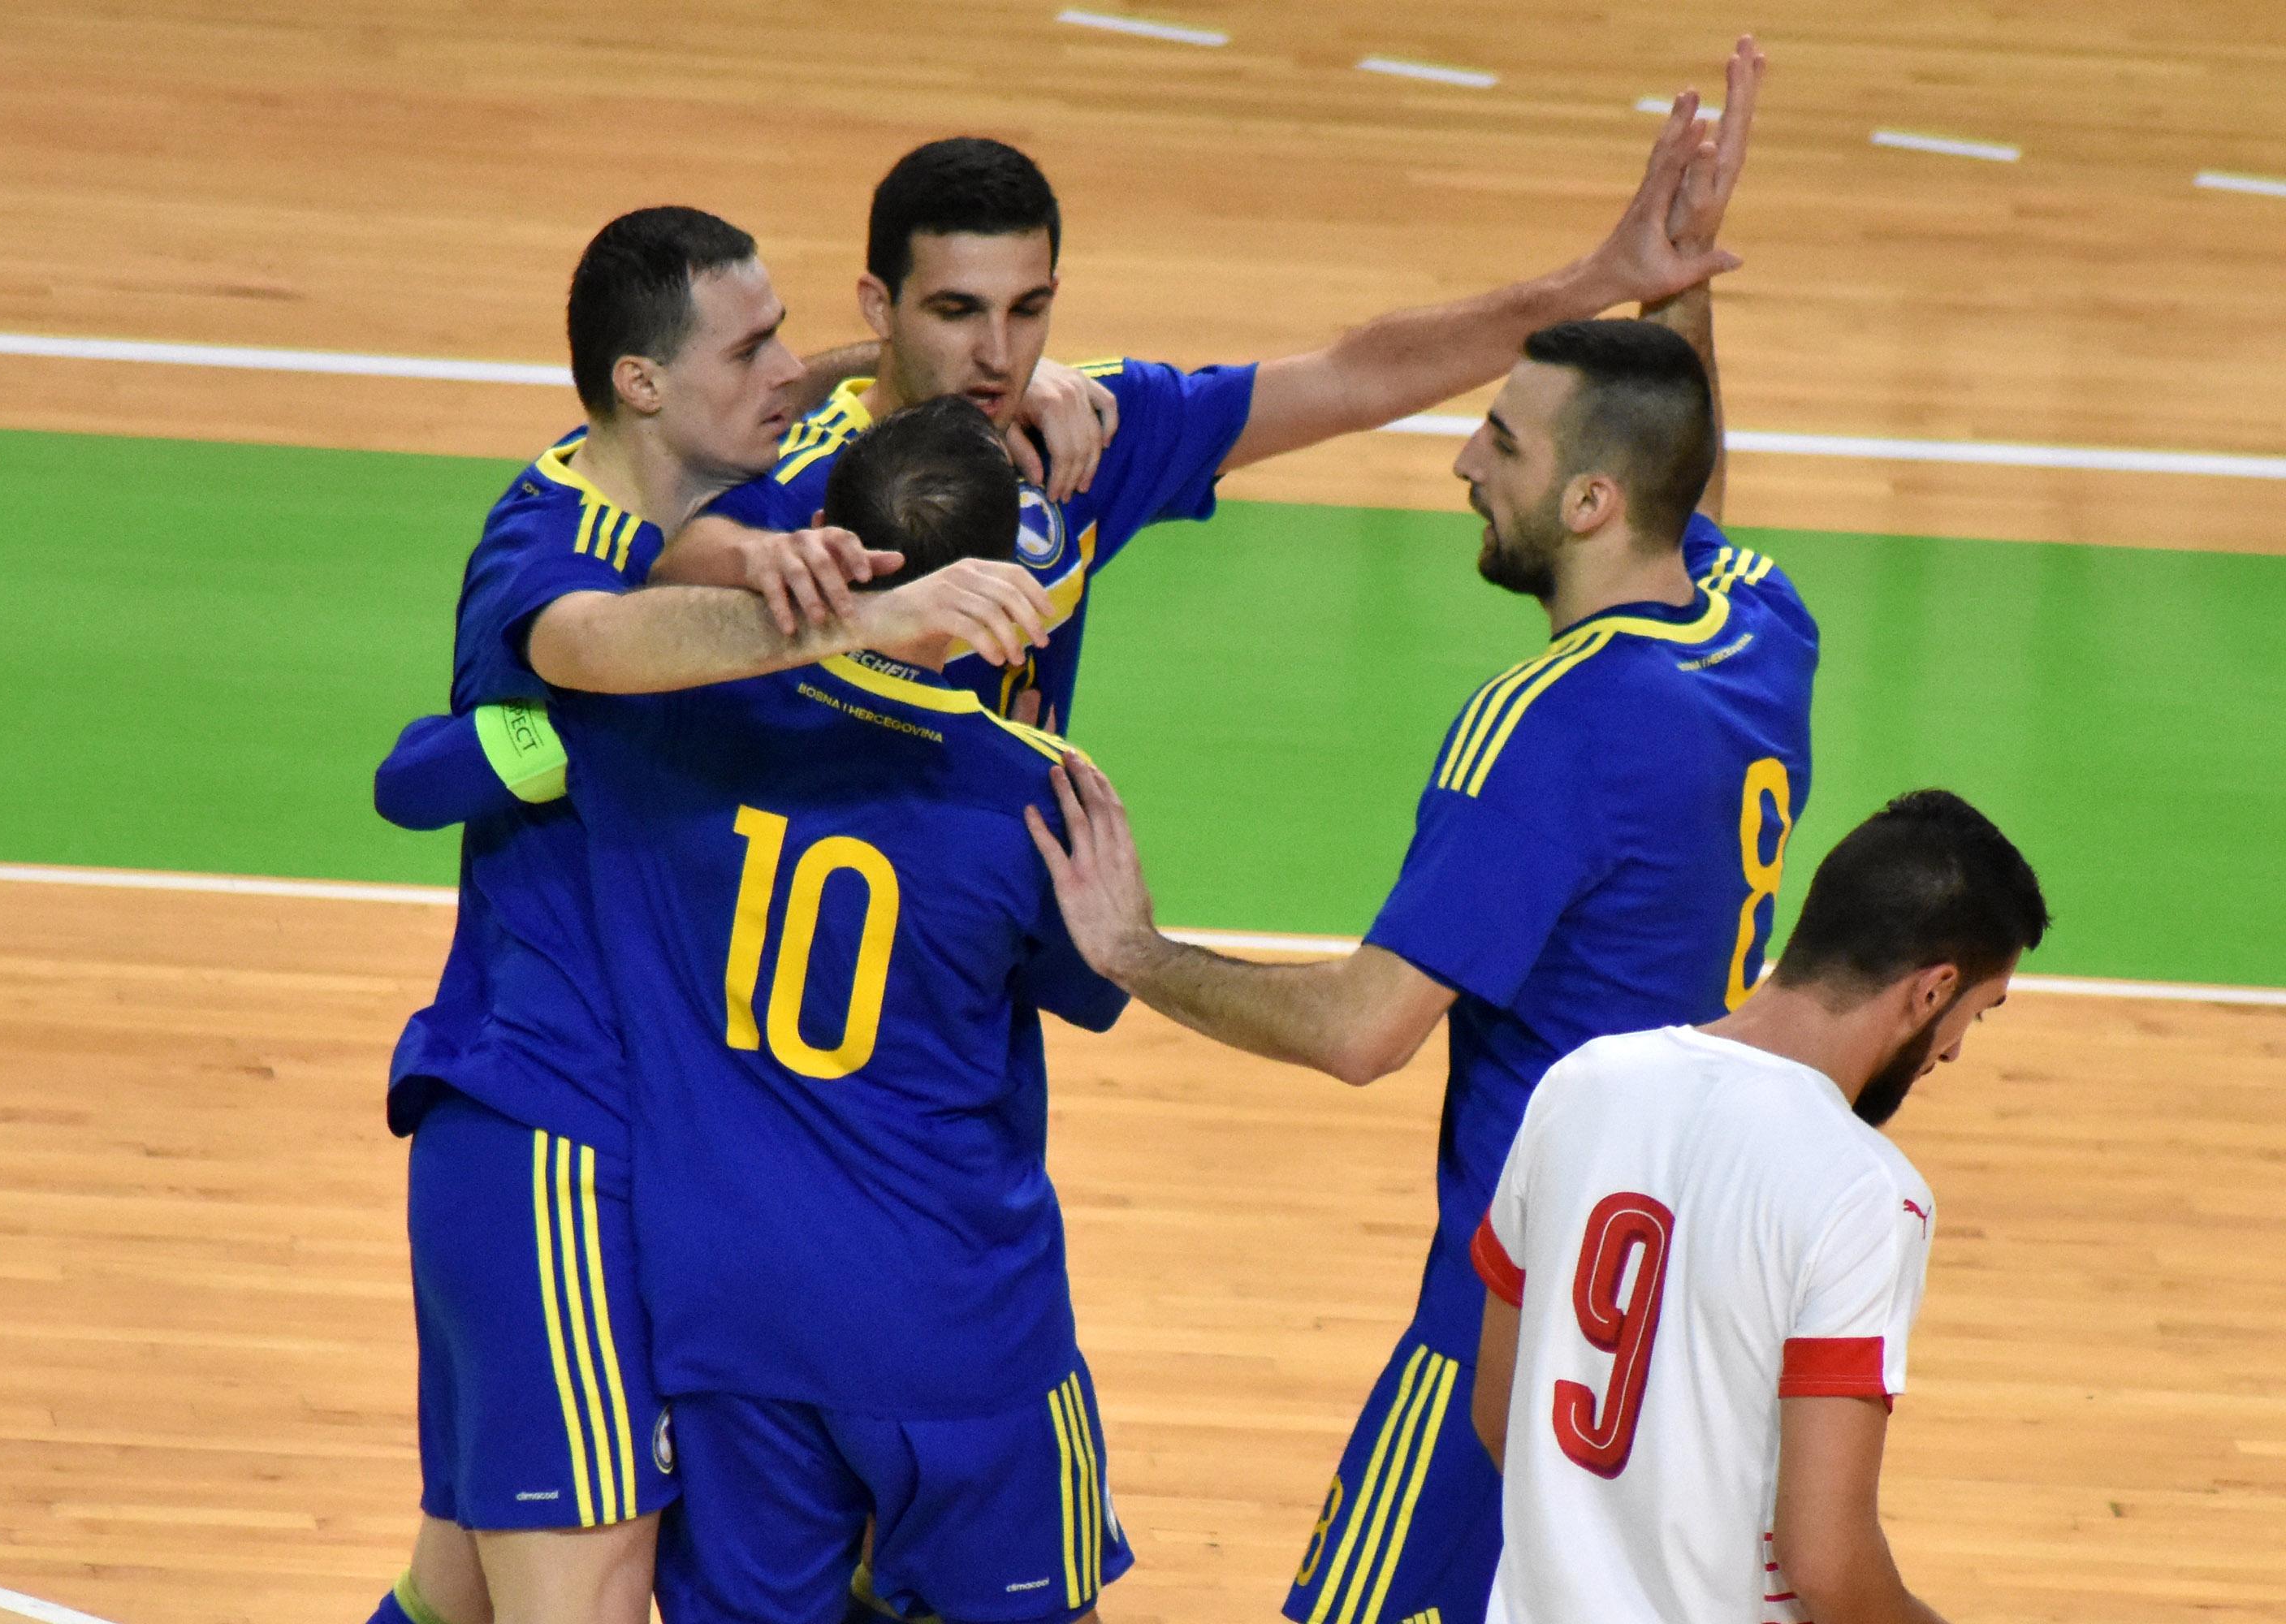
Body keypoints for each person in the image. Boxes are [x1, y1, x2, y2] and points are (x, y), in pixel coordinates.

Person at [1025, 47, 1808, 1619]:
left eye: (1503, 445)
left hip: (1512, 1312)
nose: (1463, 459)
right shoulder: (1756, 620)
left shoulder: (1547, 725)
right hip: (1687, 1304)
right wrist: (1670, 295)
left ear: (1589, 505)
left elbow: (1366, 1028)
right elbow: (1677, 455)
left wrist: (1132, 948)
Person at [370, 207, 1056, 1624]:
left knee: (463, 1582)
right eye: (753, 347)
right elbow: (580, 646)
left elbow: (429, 770)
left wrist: (1029, 386)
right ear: (639, 385)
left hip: (646, 1146)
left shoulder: (721, 505)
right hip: (555, 1126)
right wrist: (864, 622)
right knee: (593, 1593)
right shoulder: (557, 531)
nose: (792, 371)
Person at [495, 394, 1134, 1624]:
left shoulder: (669, 720)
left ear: (826, 537)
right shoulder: (1035, 792)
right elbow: (1096, 982)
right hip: (958, 1327)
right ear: (1006, 579)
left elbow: (444, 752)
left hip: (733, 1322)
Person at [674, 40, 1764, 731]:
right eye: (955, 313)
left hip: (984, 957)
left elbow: (1350, 376)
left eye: (1028, 308)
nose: (999, 356)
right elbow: (621, 541)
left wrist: (1598, 282)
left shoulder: (1087, 436)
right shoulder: (776, 483)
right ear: (880, 306)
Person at [1466, 789, 2050, 1624]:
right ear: (1932, 990)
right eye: (1974, 1015)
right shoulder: (1866, 1190)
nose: (1952, 1049)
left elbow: (1502, 1413)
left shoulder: (1579, 1084)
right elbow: (1828, 1562)